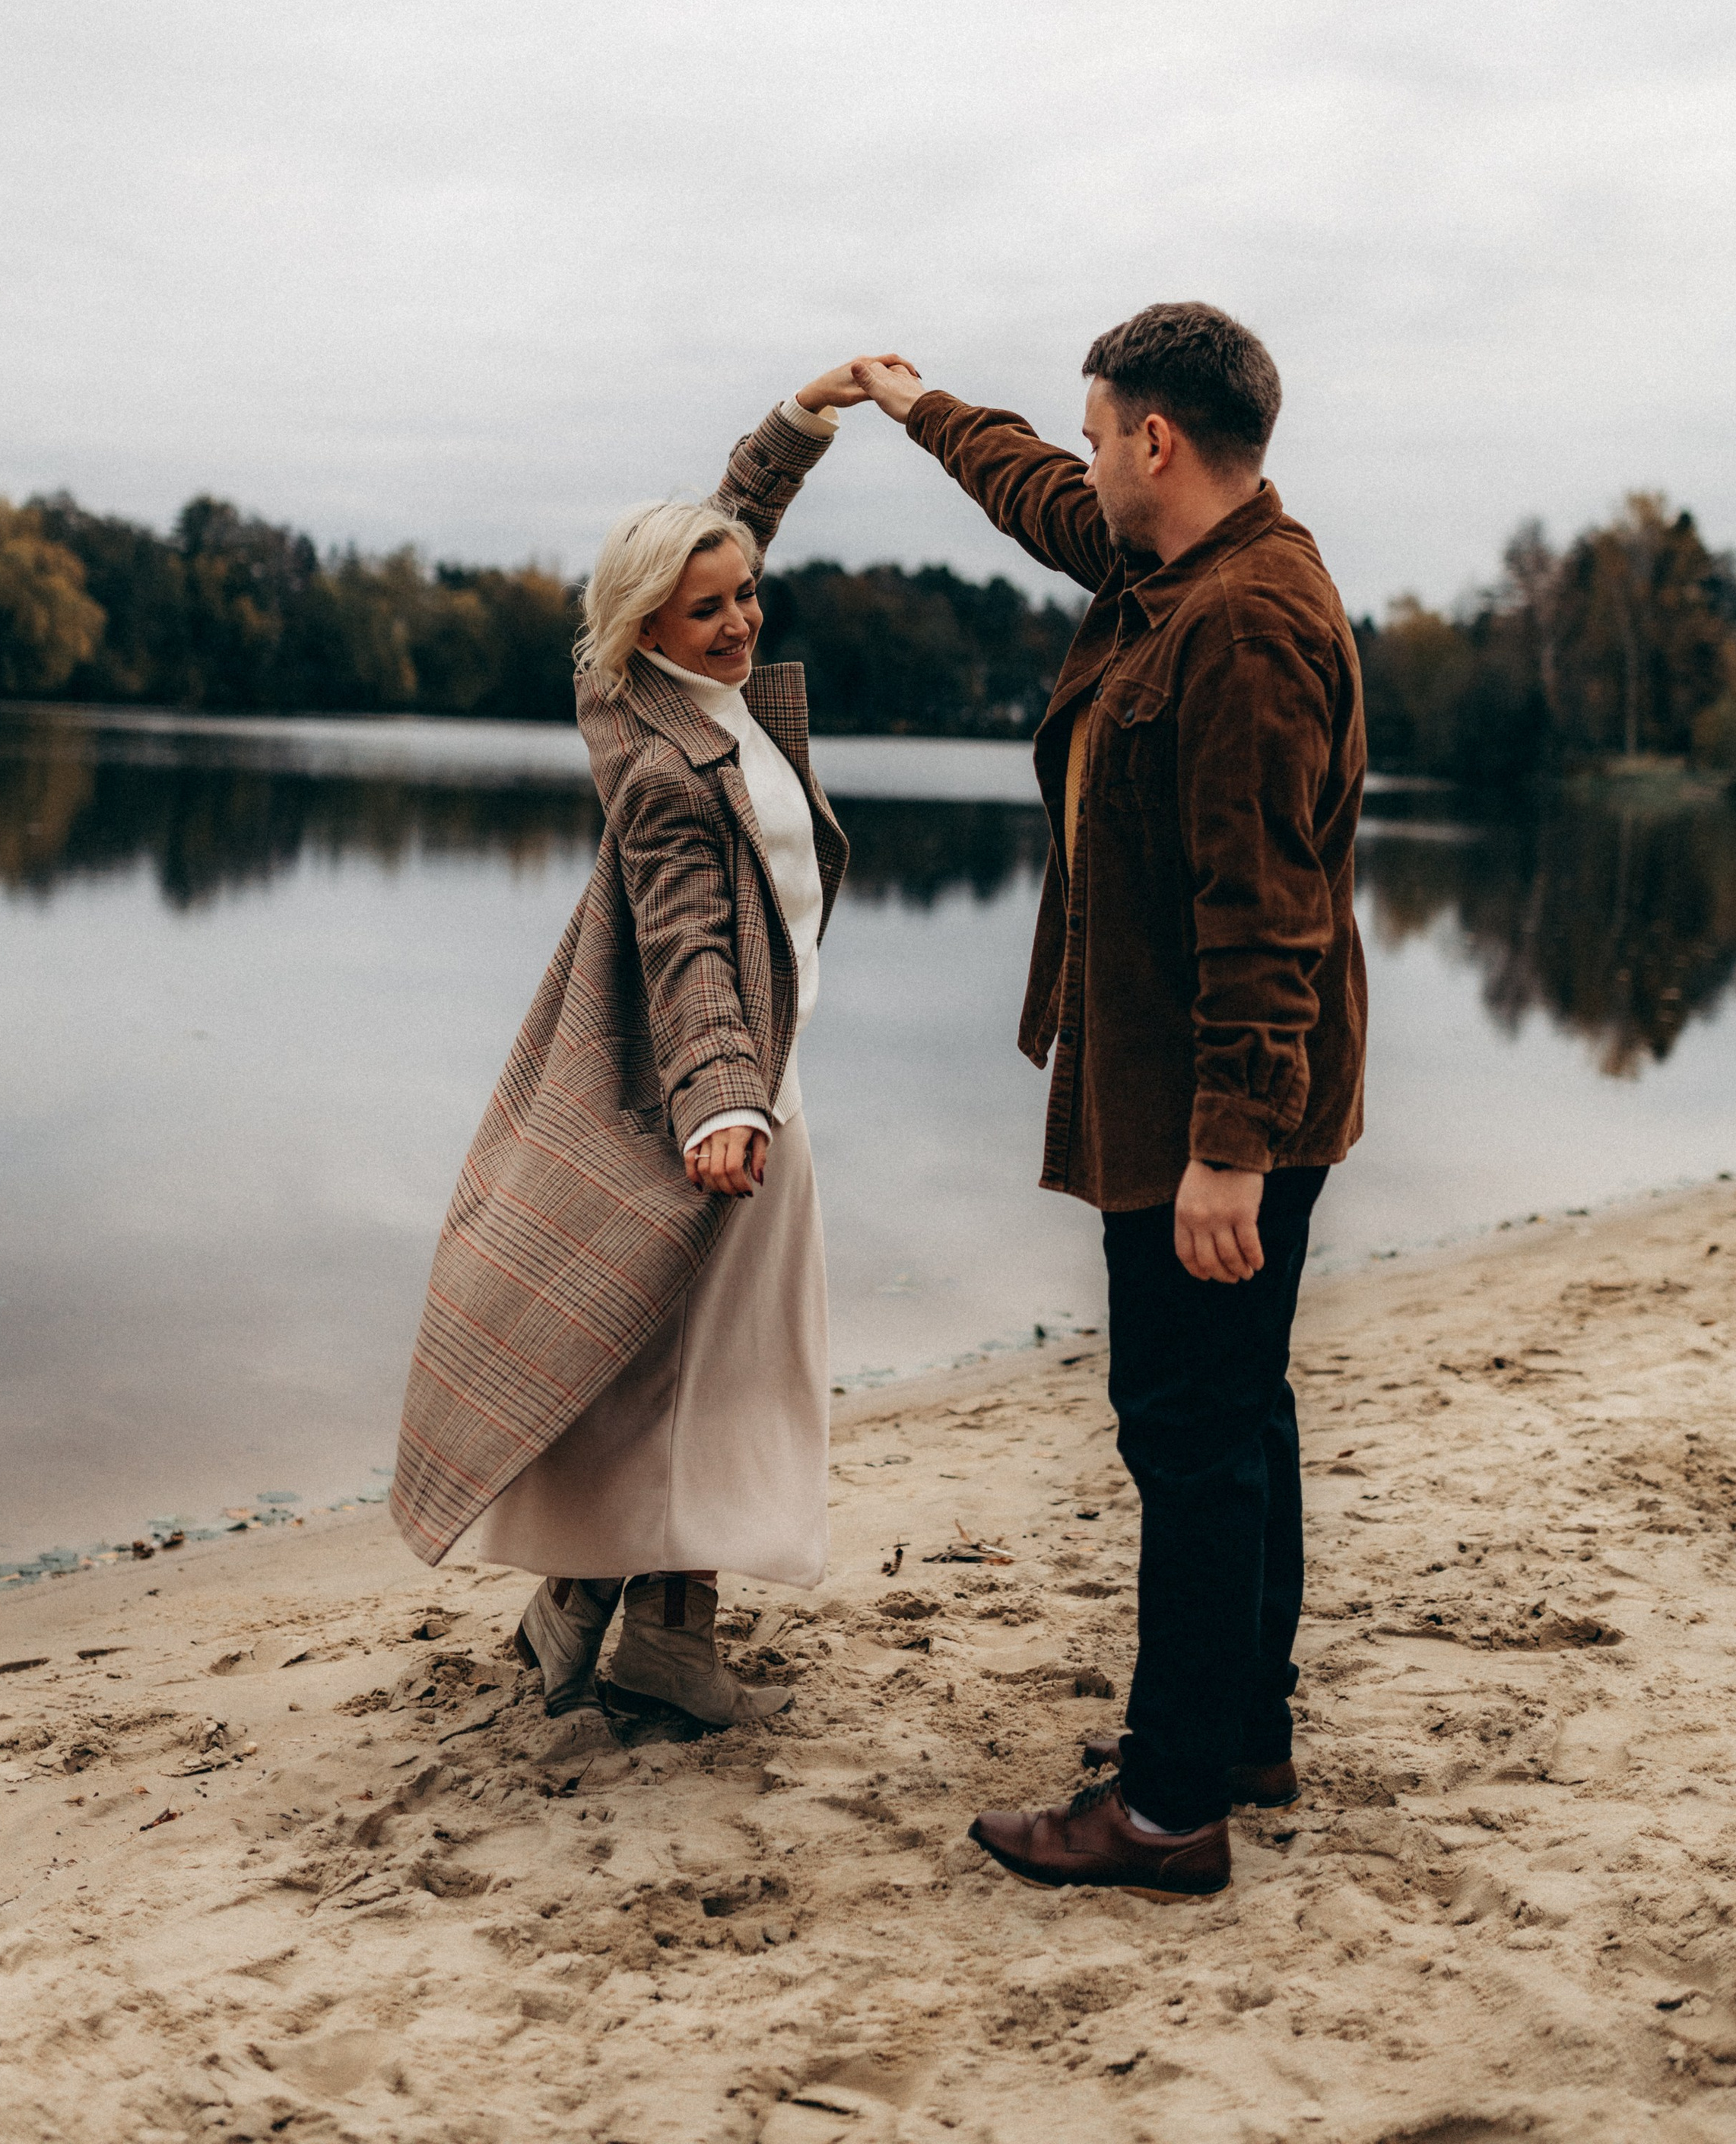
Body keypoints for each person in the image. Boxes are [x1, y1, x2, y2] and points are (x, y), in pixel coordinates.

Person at [852, 303, 1366, 1897]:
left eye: (1095, 432)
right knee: (1236, 1414)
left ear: (1155, 438)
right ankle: (1238, 1736)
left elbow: (1262, 917)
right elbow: (1034, 496)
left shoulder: (1246, 627)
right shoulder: (1173, 570)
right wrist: (918, 405)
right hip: (1217, 1094)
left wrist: (1225, 1152)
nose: (1082, 459)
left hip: (1215, 1104)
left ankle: (1161, 1809)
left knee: (1187, 1432)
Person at [390, 360, 903, 1727]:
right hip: (717, 1105)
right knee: (689, 1370)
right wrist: (722, 1101)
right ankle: (633, 1627)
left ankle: (601, 1614)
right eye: (710, 607)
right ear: (648, 627)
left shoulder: (682, 681)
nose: (740, 621)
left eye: (746, 596)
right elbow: (685, 945)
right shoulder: (661, 762)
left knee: (696, 1366)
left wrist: (802, 423)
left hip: (759, 1091)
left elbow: (724, 518)